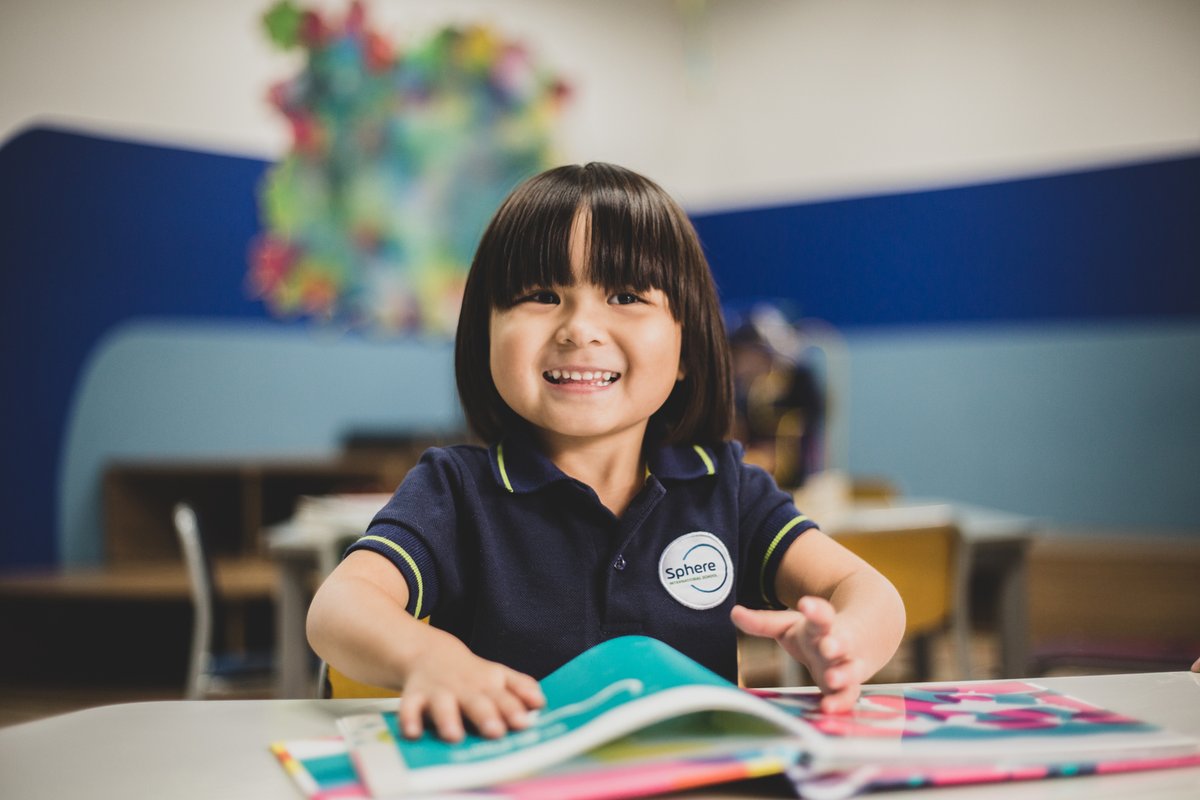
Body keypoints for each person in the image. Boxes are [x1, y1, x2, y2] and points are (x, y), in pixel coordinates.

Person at [306, 162, 905, 743]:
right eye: (541, 294)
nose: (579, 328)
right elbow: (339, 605)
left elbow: (867, 590)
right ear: (484, 335)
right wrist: (425, 656)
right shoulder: (455, 490)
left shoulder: (726, 488)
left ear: (687, 349)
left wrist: (847, 641)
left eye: (624, 296)